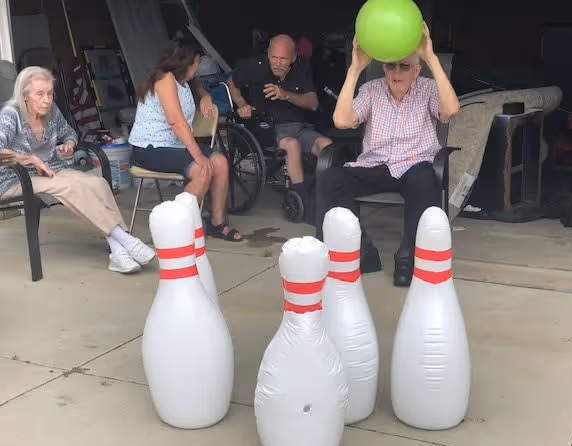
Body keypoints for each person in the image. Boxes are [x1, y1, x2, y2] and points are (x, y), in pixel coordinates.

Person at [326, 23, 460, 287]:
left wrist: (431, 58)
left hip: (414, 166)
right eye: (390, 66)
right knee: (331, 177)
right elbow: (341, 120)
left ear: (417, 70)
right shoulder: (371, 90)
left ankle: (407, 256)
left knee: (426, 181)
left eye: (404, 66)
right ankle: (363, 249)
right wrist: (355, 70)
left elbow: (452, 110)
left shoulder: (428, 88)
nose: (396, 72)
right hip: (376, 165)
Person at [0, 66, 156, 274]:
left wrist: (70, 145)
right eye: (40, 94)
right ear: (25, 95)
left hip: (52, 169)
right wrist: (29, 158)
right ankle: (126, 240)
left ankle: (118, 250)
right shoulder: (12, 115)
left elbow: (69, 132)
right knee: (70, 186)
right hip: (15, 177)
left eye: (49, 93)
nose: (46, 99)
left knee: (97, 183)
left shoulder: (51, 110)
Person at [128, 40, 243, 242]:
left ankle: (217, 224)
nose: (198, 67)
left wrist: (205, 96)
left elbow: (196, 87)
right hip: (150, 148)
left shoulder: (184, 81)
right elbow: (176, 121)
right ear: (186, 63)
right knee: (201, 169)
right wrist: (198, 155)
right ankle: (175, 230)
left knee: (220, 163)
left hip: (175, 145)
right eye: (196, 62)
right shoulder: (164, 79)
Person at [226, 34, 333, 222]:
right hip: (268, 131)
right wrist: (242, 103)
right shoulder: (254, 66)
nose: (277, 63)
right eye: (273, 57)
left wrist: (286, 95)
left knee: (327, 146)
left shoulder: (301, 68)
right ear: (268, 54)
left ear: (293, 58)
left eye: (283, 59)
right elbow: (231, 84)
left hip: (300, 128)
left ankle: (325, 196)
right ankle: (301, 199)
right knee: (292, 145)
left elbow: (313, 103)